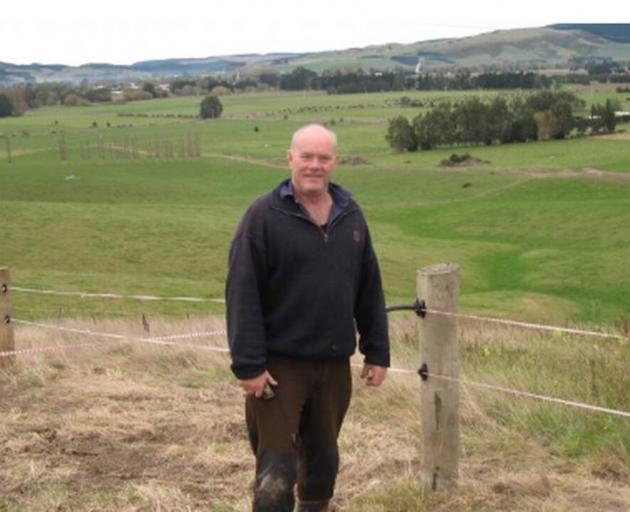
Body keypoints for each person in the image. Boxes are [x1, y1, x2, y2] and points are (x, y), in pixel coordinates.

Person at [226, 124, 390, 512]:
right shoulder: (263, 217)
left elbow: (369, 285)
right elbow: (242, 294)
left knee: (322, 463)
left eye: (323, 158)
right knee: (275, 472)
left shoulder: (350, 215)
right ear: (290, 159)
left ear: (336, 162)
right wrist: (248, 366)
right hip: (279, 368)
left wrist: (377, 351)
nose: (314, 165)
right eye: (306, 157)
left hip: (333, 364)